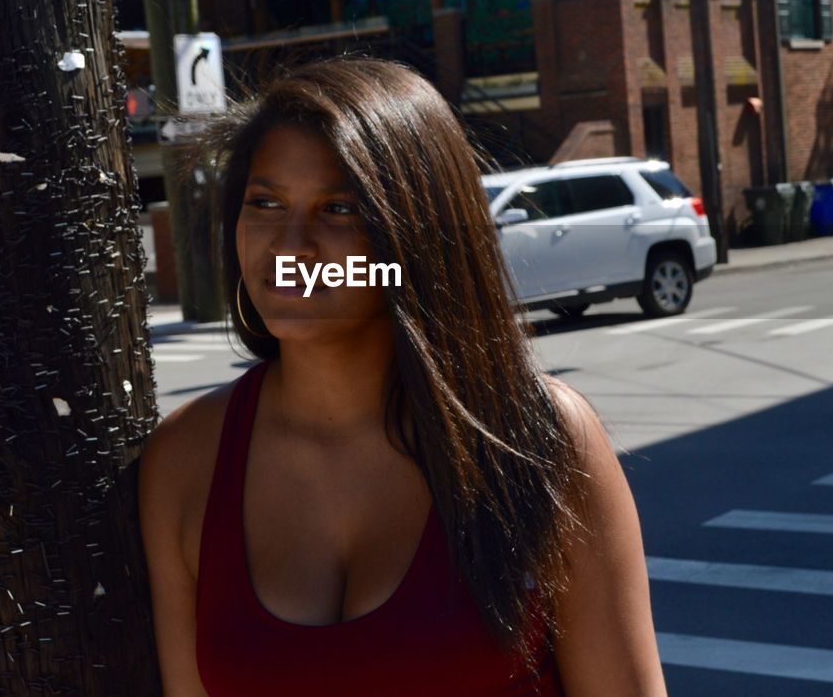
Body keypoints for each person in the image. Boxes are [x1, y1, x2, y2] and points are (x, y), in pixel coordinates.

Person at [138, 58, 669, 696]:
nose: (291, 244)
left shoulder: (539, 441)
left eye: (338, 208)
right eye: (265, 202)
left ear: (417, 237)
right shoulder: (185, 459)